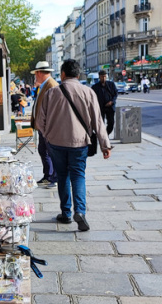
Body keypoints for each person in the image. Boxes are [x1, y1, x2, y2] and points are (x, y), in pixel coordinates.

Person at [35, 59, 112, 232]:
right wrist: (105, 145)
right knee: (78, 175)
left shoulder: (51, 93)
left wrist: (48, 137)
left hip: (56, 143)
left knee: (62, 176)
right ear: (78, 75)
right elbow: (98, 121)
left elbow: (40, 122)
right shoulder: (88, 92)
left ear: (62, 74)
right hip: (80, 142)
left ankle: (66, 212)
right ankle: (80, 211)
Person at [30, 61, 59, 189]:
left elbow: (53, 107)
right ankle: (48, 175)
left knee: (49, 152)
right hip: (43, 126)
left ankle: (53, 176)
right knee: (43, 150)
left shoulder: (51, 85)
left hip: (48, 127)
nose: (35, 76)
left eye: (36, 73)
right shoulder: (44, 84)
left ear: (39, 73)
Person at [91, 70, 118, 137]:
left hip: (110, 107)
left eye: (105, 76)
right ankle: (103, 137)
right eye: (102, 76)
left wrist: (112, 101)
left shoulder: (111, 85)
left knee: (111, 123)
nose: (104, 78)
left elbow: (115, 94)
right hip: (101, 107)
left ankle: (106, 134)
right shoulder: (95, 87)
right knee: (101, 123)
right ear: (99, 77)